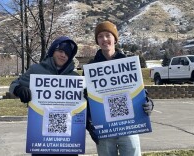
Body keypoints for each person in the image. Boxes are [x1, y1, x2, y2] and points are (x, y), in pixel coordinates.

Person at [85, 21, 154, 156]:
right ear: (97, 41)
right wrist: (90, 125)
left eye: (108, 35)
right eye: (100, 36)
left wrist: (149, 103)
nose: (104, 39)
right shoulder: (91, 67)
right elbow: (87, 99)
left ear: (115, 39)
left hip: (129, 128)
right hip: (104, 129)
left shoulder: (128, 62)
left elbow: (140, 92)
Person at [9, 36, 79, 156]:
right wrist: (19, 89)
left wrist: (85, 95)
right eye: (60, 51)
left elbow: (84, 104)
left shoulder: (75, 78)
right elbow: (14, 84)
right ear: (52, 51)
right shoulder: (36, 70)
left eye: (67, 54)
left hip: (68, 138)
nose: (63, 55)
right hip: (41, 135)